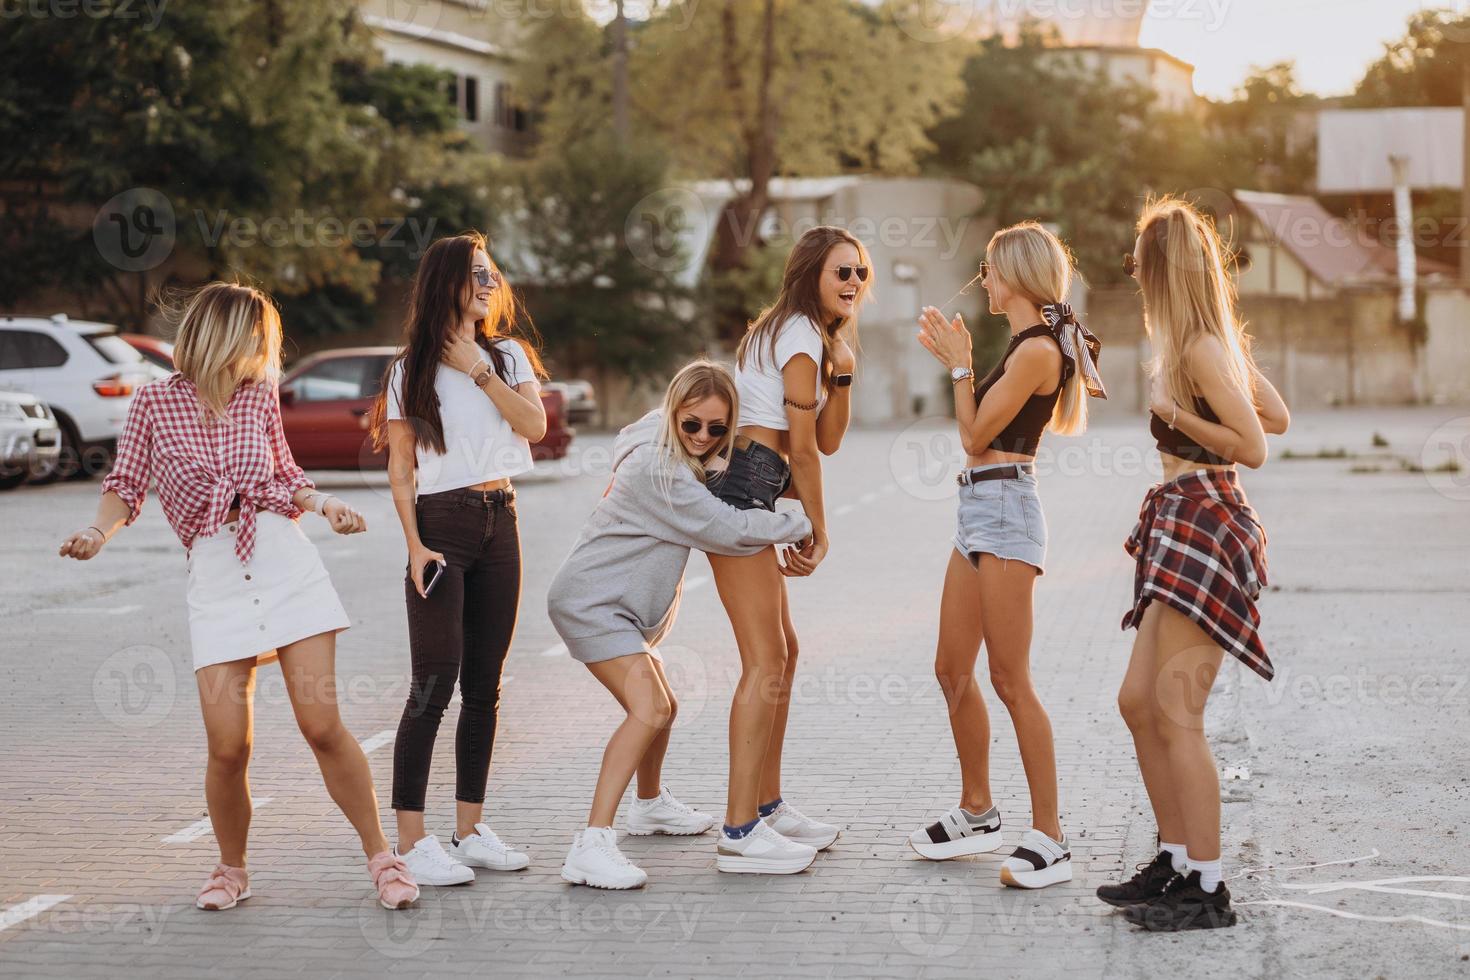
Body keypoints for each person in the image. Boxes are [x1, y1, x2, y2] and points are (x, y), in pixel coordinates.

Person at [59, 282, 419, 911]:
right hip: (217, 574)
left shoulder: (258, 399)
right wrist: (97, 530)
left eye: (264, 340)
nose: (260, 350)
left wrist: (327, 505)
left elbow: (284, 475)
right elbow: (126, 483)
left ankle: (382, 857)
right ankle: (232, 869)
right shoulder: (152, 403)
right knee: (228, 744)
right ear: (218, 334)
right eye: (253, 337)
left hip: (284, 562)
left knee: (322, 725)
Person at [1097, 197, 1289, 930]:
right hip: (1181, 516)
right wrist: (1222, 370)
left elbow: (1257, 444)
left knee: (1178, 712)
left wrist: (1176, 413)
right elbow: (1274, 412)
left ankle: (1207, 888)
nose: (1135, 275)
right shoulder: (1206, 344)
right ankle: (1177, 861)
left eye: (1141, 263)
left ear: (1160, 270)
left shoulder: (1200, 349)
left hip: (1208, 517)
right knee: (1138, 703)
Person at [548, 361, 813, 888]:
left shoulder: (671, 448)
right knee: (649, 708)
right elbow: (727, 527)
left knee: (662, 706)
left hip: (617, 606)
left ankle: (648, 807)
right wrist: (805, 521)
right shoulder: (657, 470)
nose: (701, 437)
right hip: (591, 604)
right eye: (691, 424)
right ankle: (591, 842)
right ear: (673, 413)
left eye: (717, 429)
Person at [910, 221, 1107, 888]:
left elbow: (972, 435)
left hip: (1006, 511)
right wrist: (963, 362)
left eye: (990, 270)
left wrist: (960, 364)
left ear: (1016, 276)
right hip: (978, 510)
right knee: (950, 669)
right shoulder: (1025, 344)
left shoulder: (1037, 351)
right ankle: (977, 809)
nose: (983, 280)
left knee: (1009, 680)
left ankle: (1051, 836)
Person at [368, 233, 547, 886]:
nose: (488, 282)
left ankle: (469, 831)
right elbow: (400, 471)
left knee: (484, 684)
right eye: (475, 273)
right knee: (433, 682)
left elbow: (533, 427)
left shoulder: (506, 355)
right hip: (441, 523)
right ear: (445, 280)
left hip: (503, 518)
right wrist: (414, 546)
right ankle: (411, 843)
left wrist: (479, 370)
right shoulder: (407, 370)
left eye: (491, 273)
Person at [704, 225, 866, 875]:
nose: (854, 282)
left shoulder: (808, 337)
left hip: (759, 488)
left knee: (784, 652)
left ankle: (766, 807)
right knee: (764, 659)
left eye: (860, 273)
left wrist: (847, 373)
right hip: (746, 486)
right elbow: (803, 450)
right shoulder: (797, 334)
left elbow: (825, 440)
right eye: (841, 273)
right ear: (811, 276)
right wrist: (817, 529)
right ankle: (740, 830)